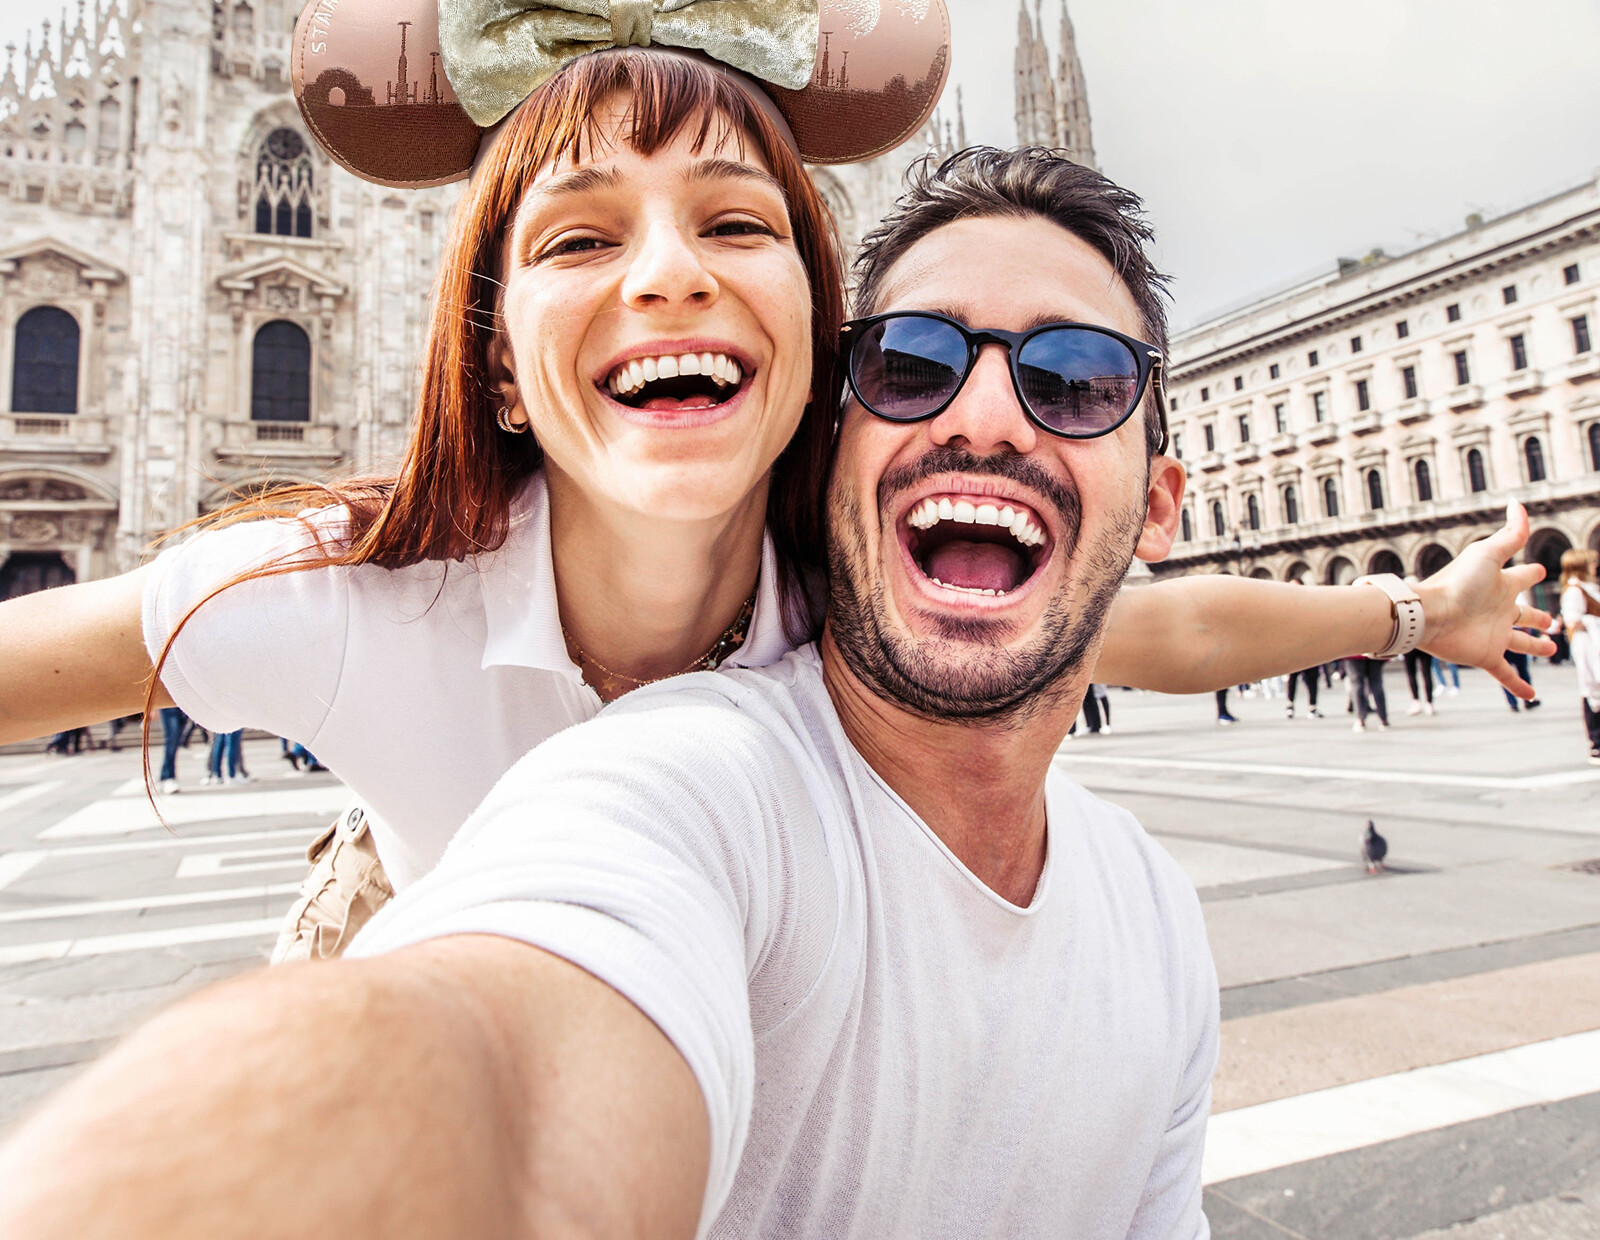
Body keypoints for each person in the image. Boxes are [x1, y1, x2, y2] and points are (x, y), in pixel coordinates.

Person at [0, 152, 1552, 1240]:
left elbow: (1148, 628)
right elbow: (483, 1070)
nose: (666, 281)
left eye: (1074, 379)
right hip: (421, 914)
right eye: (922, 363)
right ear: (487, 363)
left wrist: (1415, 608)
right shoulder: (368, 593)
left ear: (800, 381)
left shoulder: (838, 584)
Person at [1558, 549, 1600, 762]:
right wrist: (1595, 622)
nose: (1596, 565)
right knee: (1591, 690)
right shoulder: (1574, 590)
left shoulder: (1588, 587)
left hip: (1595, 643)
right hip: (1588, 646)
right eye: (1592, 562)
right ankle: (1596, 743)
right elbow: (1572, 620)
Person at [1348, 654, 1389, 731]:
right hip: (1374, 652)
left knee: (1357, 685)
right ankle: (1383, 719)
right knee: (1376, 684)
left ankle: (1360, 719)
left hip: (1355, 653)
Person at [1403, 646, 1435, 715]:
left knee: (1411, 674)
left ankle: (1416, 702)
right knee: (1427, 673)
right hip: (1424, 644)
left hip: (1410, 644)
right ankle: (1429, 703)